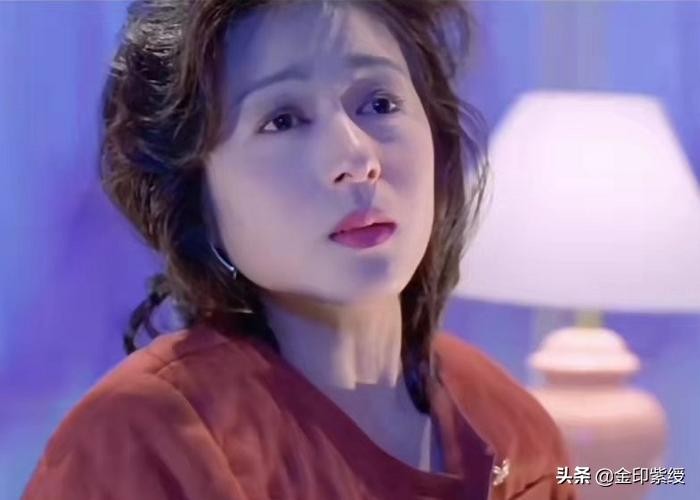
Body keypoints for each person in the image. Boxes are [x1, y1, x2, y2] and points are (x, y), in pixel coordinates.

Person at [23, 0, 577, 499]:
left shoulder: (510, 428)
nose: (356, 158)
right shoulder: (144, 442)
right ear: (197, 194)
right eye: (282, 120)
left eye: (380, 102)